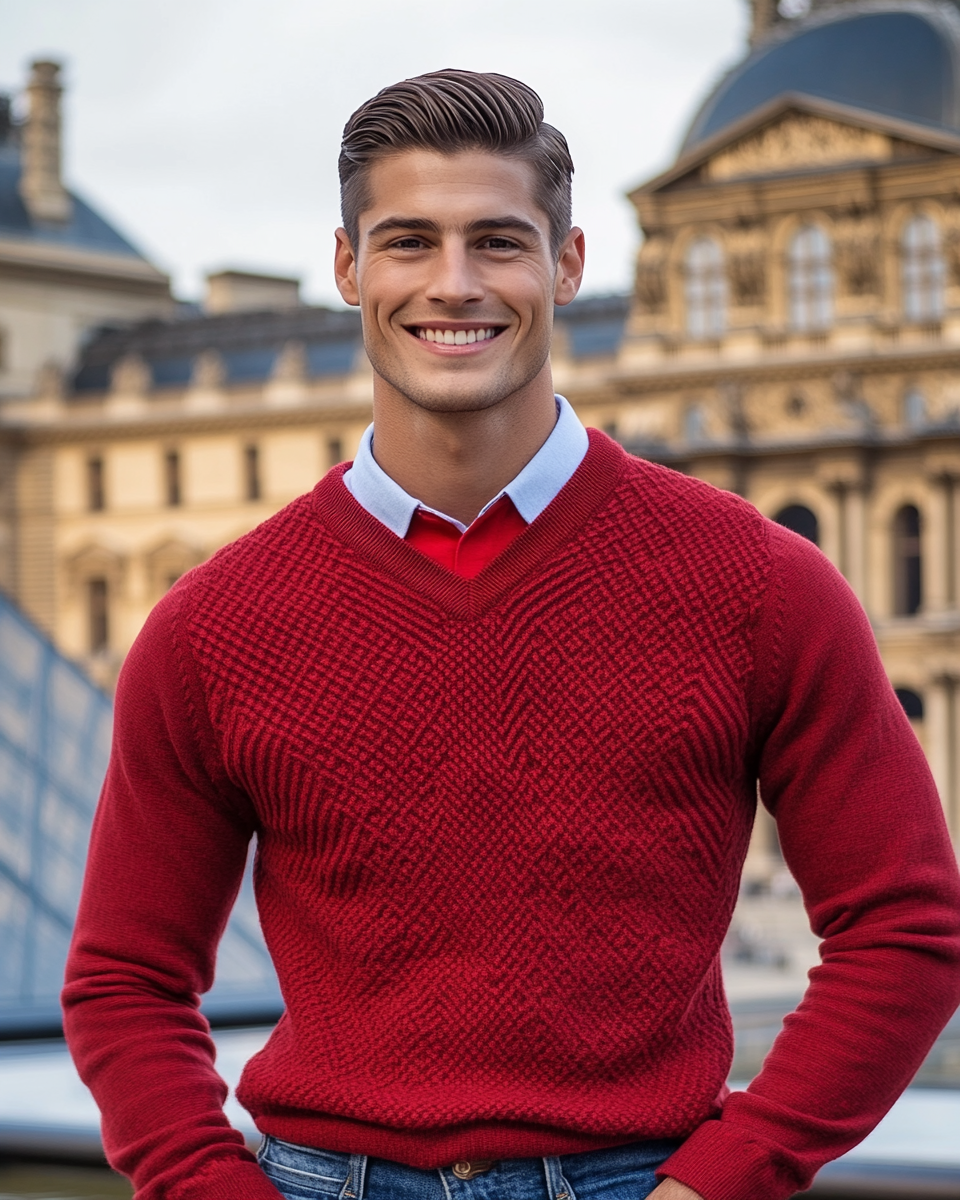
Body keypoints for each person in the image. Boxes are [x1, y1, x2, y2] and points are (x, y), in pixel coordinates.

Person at [63, 70, 960, 1200]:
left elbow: (907, 929)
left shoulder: (762, 586)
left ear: (568, 265)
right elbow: (124, 977)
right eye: (406, 242)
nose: (452, 283)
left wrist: (720, 1182)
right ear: (347, 269)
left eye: (497, 241)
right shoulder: (215, 626)